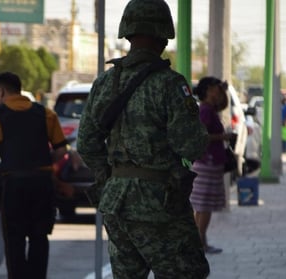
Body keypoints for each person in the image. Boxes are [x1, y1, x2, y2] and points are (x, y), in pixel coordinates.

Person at [77, 0, 210, 278]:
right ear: (163, 35)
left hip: (115, 202)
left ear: (126, 33)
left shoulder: (105, 82)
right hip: (160, 203)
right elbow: (191, 145)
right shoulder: (170, 83)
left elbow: (86, 143)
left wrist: (112, 177)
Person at [0, 72, 68, 279]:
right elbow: (62, 150)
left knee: (14, 238)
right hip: (42, 183)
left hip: (13, 184)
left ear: (1, 91)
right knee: (39, 236)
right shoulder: (45, 113)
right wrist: (42, 162)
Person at [190, 76, 236, 254]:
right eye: (217, 88)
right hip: (207, 162)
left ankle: (199, 241)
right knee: (205, 206)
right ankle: (201, 242)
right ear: (209, 90)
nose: (220, 92)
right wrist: (223, 137)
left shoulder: (208, 110)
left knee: (202, 206)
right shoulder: (205, 111)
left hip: (208, 161)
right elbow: (201, 135)